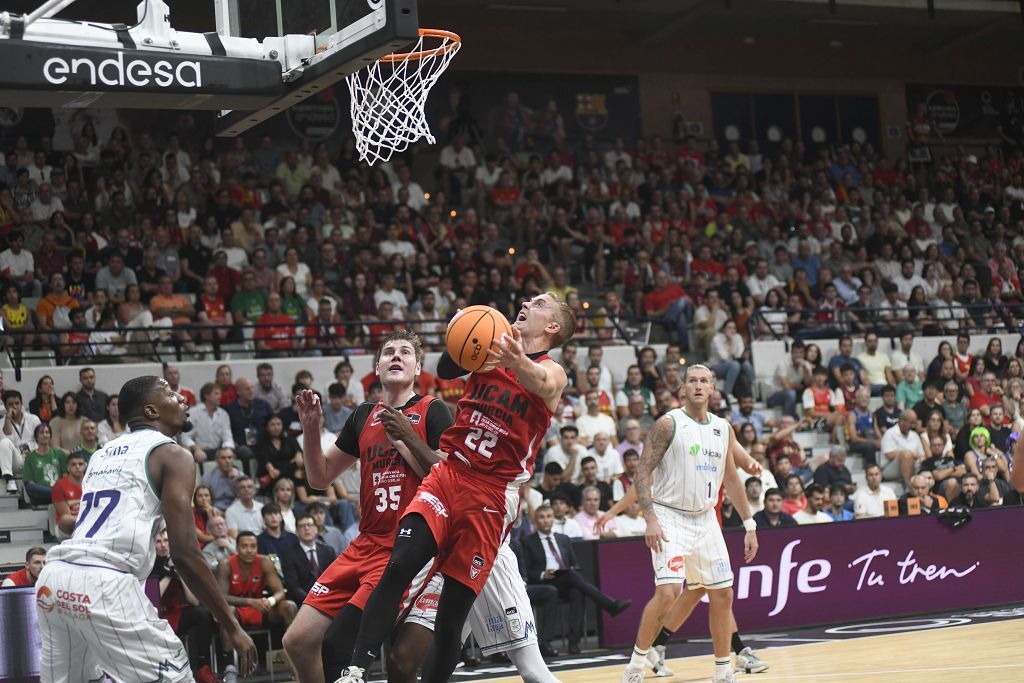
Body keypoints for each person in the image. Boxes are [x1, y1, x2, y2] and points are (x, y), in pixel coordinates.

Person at [336, 293, 576, 683]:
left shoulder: (554, 371)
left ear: (552, 327)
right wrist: (463, 329)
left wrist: (515, 358)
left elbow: (542, 381)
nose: (530, 301)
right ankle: (356, 669)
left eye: (542, 303)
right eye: (531, 298)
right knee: (398, 565)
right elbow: (448, 367)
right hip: (449, 474)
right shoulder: (490, 345)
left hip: (492, 495)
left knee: (451, 619)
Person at [36, 375, 257, 681]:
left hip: (56, 579)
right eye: (170, 394)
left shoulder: (101, 455)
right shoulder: (174, 455)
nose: (182, 399)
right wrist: (231, 625)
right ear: (152, 411)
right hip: (106, 582)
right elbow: (186, 555)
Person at [282, 330, 452, 683]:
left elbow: (449, 480)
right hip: (364, 543)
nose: (396, 356)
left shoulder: (432, 410)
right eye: (388, 352)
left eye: (405, 352)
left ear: (418, 367)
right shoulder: (362, 415)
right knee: (297, 641)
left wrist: (406, 438)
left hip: (403, 549)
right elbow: (320, 477)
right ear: (376, 367)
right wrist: (311, 429)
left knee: (338, 643)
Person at [622, 364, 758, 683]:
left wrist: (749, 524)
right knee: (668, 592)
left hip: (705, 518)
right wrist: (650, 518)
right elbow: (641, 472)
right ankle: (636, 664)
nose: (698, 386)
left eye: (704, 381)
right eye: (692, 381)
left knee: (722, 594)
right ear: (683, 388)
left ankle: (723, 670)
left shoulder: (723, 428)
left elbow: (733, 479)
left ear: (712, 389)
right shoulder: (668, 424)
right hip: (669, 516)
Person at [520, 504, 630, 656]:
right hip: (543, 582)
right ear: (535, 520)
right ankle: (610, 605)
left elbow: (575, 564)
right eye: (541, 517)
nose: (545, 521)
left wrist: (571, 570)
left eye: (548, 517)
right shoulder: (527, 542)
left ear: (553, 519)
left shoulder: (563, 539)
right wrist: (541, 574)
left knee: (576, 590)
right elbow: (525, 570)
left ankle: (574, 643)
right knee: (570, 579)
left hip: (564, 578)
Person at [151, 530, 221, 683]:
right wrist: (169, 574)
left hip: (173, 613)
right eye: (158, 541)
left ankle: (202, 668)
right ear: (153, 545)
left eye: (166, 541)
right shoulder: (149, 564)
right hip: (154, 616)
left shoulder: (177, 562)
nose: (163, 545)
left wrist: (180, 573)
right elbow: (154, 600)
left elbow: (194, 600)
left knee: (202, 614)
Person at [217, 531, 297, 630]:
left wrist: (269, 601)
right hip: (236, 608)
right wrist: (249, 601)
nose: (249, 550)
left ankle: (293, 645)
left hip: (259, 607)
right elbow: (222, 597)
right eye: (244, 546)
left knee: (290, 606)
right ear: (237, 548)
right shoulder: (225, 565)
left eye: (253, 546)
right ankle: (229, 646)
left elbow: (280, 592)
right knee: (228, 611)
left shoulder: (265, 562)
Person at [282, 513, 338, 604]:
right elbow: (293, 586)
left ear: (316, 529)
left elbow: (335, 578)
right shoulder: (289, 554)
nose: (306, 528)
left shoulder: (328, 551)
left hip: (328, 598)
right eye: (302, 526)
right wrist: (311, 601)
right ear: (296, 531)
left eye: (310, 525)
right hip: (303, 601)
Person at [51, 451, 85, 537]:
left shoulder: (92, 483)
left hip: (89, 522)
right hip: (67, 529)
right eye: (73, 464)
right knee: (66, 519)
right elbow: (65, 514)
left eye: (80, 464)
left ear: (85, 466)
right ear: (68, 468)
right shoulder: (59, 486)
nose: (77, 467)